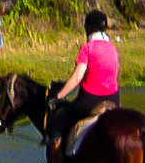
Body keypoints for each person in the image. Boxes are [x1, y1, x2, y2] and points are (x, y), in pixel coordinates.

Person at [50, 9, 121, 147]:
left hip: (89, 101)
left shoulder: (87, 48)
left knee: (58, 120)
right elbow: (114, 73)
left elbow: (77, 78)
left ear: (88, 29)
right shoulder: (112, 48)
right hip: (114, 100)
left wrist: (59, 96)